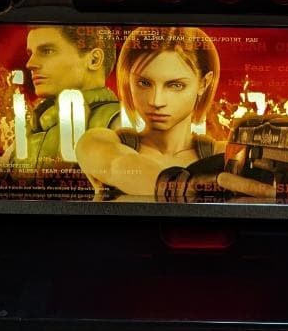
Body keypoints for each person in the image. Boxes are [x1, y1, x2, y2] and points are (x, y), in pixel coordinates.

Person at [76, 25, 274, 201]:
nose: (156, 101)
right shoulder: (98, 142)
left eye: (175, 85)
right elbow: (117, 166)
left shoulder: (229, 155)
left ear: (203, 83)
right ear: (129, 80)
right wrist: (182, 188)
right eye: (144, 83)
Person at [0, 24, 120, 185]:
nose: (30, 64)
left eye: (47, 51)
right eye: (31, 53)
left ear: (94, 60)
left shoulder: (120, 122)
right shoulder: (33, 127)